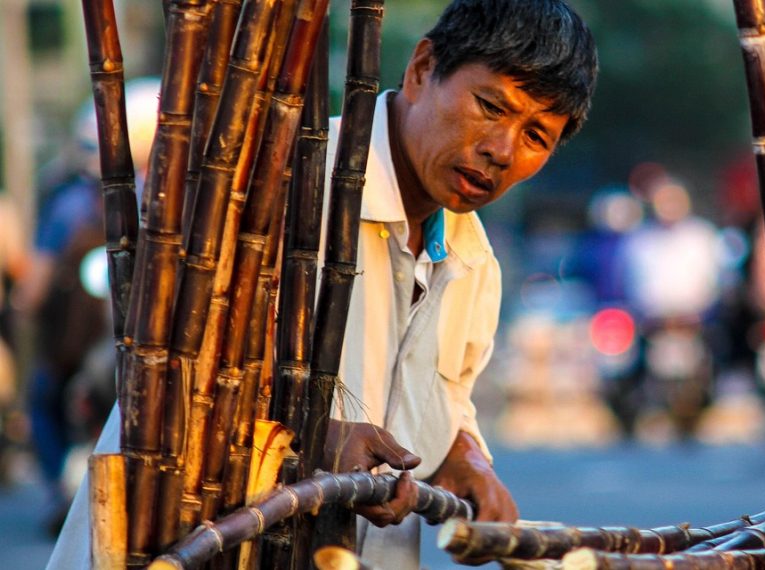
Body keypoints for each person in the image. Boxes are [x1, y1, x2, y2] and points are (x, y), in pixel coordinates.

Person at [47, 1, 597, 567]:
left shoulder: (474, 260)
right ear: (423, 68)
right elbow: (175, 376)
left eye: (536, 135)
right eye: (489, 107)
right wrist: (315, 435)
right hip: (191, 541)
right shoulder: (269, 181)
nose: (501, 150)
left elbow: (447, 399)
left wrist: (464, 459)